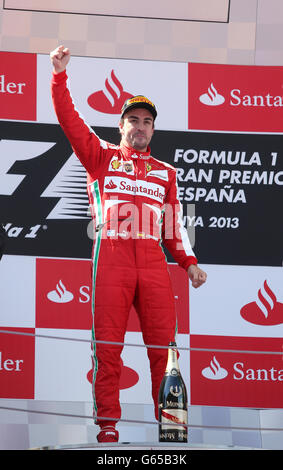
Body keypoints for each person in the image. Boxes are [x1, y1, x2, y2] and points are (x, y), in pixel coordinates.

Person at [50, 45, 207, 443]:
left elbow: (173, 224)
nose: (140, 126)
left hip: (152, 260)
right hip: (113, 256)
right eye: (133, 120)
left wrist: (188, 262)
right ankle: (107, 429)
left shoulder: (165, 173)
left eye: (147, 122)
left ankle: (171, 425)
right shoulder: (99, 156)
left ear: (153, 130)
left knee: (165, 349)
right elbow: (69, 120)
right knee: (108, 346)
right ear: (121, 126)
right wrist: (58, 77)